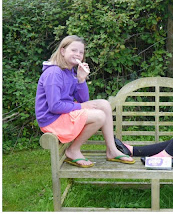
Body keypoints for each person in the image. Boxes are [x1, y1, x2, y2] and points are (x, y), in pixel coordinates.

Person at [35, 35, 135, 168]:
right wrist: (81, 106)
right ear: (63, 51)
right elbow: (54, 106)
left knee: (104, 104)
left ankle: (112, 150)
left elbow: (84, 100)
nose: (78, 54)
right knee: (99, 116)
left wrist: (81, 79)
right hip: (51, 120)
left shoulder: (70, 72)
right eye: (74, 50)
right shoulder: (54, 73)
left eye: (81, 52)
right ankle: (73, 150)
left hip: (61, 114)